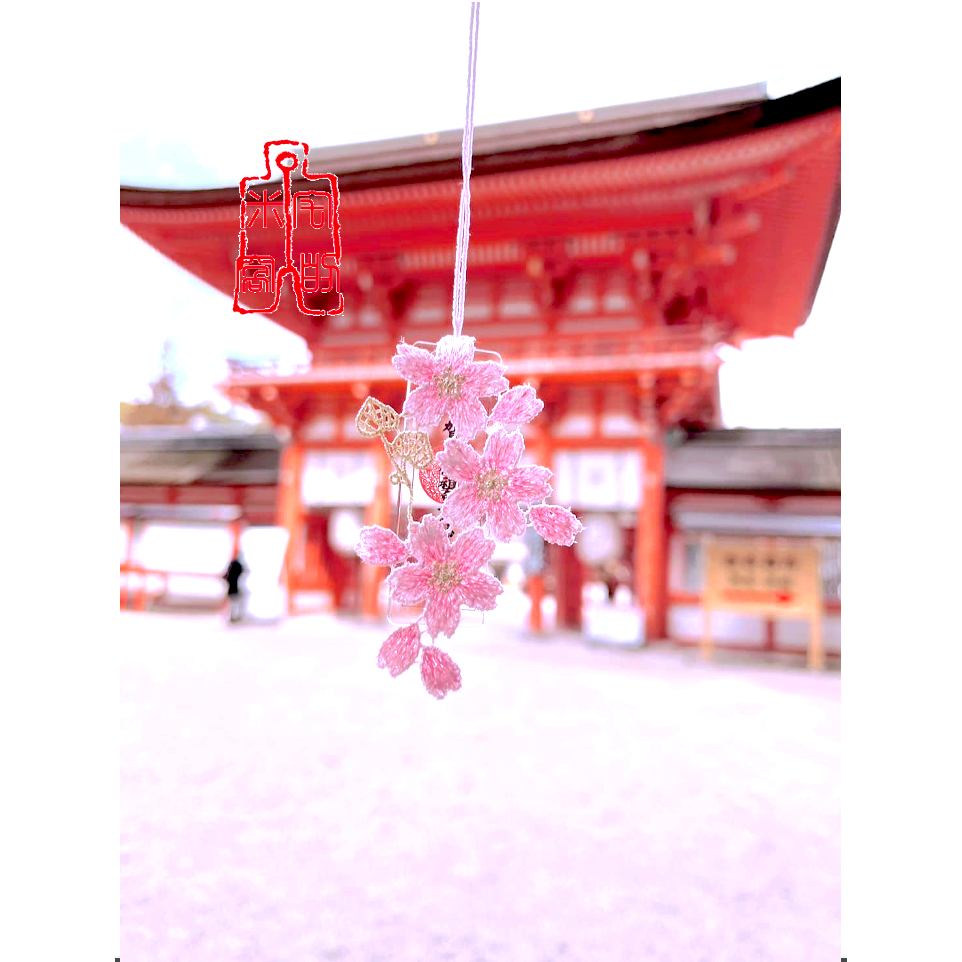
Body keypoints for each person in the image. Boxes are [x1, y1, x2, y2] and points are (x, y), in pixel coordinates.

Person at [224, 553, 246, 624]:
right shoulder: (238, 565)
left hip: (234, 587)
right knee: (236, 603)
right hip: (235, 587)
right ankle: (235, 616)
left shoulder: (233, 565)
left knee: (234, 603)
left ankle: (234, 616)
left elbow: (226, 576)